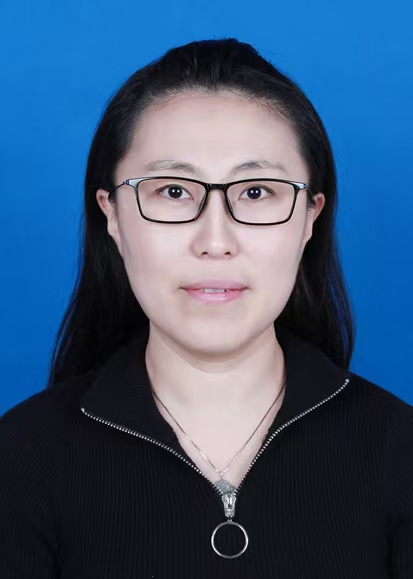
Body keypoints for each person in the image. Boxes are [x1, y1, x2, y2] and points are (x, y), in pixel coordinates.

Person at [0, 38, 412, 578]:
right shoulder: (20, 458)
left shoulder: (399, 452)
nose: (215, 241)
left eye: (257, 192)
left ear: (310, 217)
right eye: (173, 191)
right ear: (113, 215)